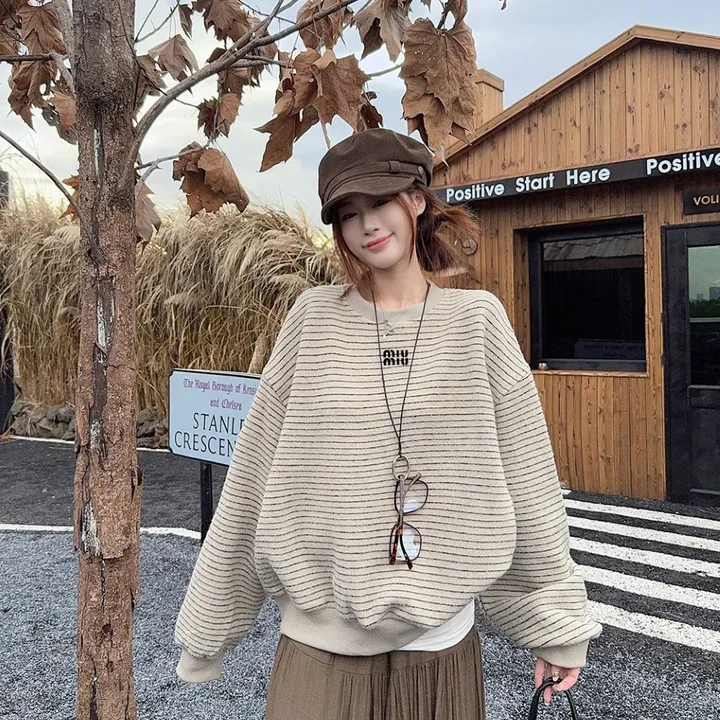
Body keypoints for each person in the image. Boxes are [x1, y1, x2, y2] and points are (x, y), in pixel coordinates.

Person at [174, 128, 603, 719]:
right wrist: (207, 630)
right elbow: (255, 476)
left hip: (439, 652)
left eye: (380, 202)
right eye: (349, 213)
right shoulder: (312, 320)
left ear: (418, 199)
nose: (367, 225)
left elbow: (528, 481)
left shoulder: (477, 322)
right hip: (317, 653)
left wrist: (556, 627)